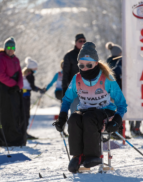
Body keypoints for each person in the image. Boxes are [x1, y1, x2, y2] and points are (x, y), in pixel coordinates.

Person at [53, 42, 127, 174]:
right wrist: (62, 118)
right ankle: (77, 156)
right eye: (81, 65)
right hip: (85, 110)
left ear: (96, 63)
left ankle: (93, 156)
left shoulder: (106, 78)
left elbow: (121, 104)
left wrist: (116, 120)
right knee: (74, 118)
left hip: (104, 111)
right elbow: (67, 99)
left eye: (89, 65)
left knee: (89, 118)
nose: (85, 68)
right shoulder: (77, 79)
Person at [0, 37, 25, 146]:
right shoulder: (0, 58)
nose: (10, 49)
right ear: (5, 48)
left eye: (12, 47)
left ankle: (16, 138)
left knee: (16, 114)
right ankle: (4, 139)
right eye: (8, 47)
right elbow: (1, 76)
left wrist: (18, 86)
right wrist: (13, 84)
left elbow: (20, 74)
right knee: (6, 115)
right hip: (4, 90)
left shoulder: (16, 59)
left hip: (15, 90)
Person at [62, 33, 86, 115]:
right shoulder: (69, 56)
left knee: (87, 116)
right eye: (80, 41)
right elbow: (65, 74)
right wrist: (64, 91)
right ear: (76, 42)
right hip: (74, 90)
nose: (82, 43)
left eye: (84, 41)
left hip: (89, 90)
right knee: (75, 115)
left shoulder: (90, 55)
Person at [22, 57, 45, 140]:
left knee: (23, 114)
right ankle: (24, 133)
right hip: (25, 96)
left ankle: (23, 132)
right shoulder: (30, 75)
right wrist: (40, 90)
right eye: (36, 68)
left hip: (22, 95)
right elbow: (32, 86)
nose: (36, 69)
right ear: (32, 68)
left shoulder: (25, 74)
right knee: (26, 115)